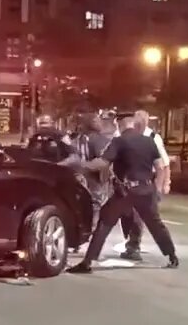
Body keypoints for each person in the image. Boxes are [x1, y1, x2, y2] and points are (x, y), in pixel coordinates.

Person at [68, 113, 179, 273]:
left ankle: (87, 262)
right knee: (155, 224)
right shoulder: (149, 140)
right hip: (146, 190)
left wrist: (82, 166)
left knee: (105, 222)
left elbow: (102, 163)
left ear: (120, 124)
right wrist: (157, 188)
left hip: (126, 192)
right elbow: (160, 167)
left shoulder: (119, 141)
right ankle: (172, 256)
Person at [119, 109, 171, 261]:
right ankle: (132, 243)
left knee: (141, 217)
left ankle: (134, 246)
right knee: (128, 215)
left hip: (147, 181)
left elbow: (163, 164)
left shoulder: (153, 138)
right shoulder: (126, 136)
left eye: (143, 121)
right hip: (128, 181)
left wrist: (162, 185)